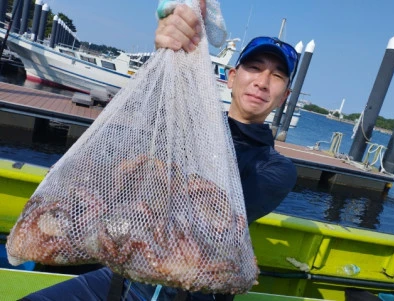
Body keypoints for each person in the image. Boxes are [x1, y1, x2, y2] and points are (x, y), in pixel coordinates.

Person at [20, 2, 298, 301]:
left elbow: (216, 218)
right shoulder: (186, 126)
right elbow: (134, 139)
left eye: (277, 75)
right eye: (254, 68)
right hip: (123, 275)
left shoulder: (275, 169)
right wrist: (171, 47)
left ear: (284, 96)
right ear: (231, 77)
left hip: (191, 288)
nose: (262, 81)